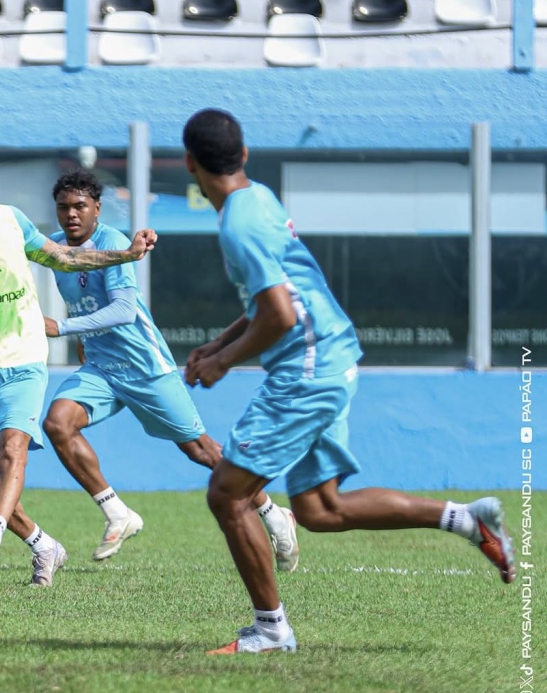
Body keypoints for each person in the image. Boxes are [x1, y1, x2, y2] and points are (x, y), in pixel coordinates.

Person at [180, 108, 516, 654]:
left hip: (308, 369)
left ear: (190, 163)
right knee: (320, 509)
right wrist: (219, 344)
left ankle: (271, 631)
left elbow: (280, 314)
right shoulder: (258, 198)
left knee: (227, 493)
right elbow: (281, 295)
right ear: (243, 155)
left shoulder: (239, 224)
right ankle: (465, 519)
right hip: (332, 358)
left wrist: (223, 362)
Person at [0, 148, 157, 587]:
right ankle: (43, 545)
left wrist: (126, 255)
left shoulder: (9, 220)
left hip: (22, 359)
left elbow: (64, 257)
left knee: (11, 449)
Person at [41, 168, 299, 570]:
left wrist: (62, 327)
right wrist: (81, 339)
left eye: (80, 206)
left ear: (97, 208)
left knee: (201, 451)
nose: (71, 214)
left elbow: (124, 311)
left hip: (144, 365)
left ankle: (274, 514)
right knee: (57, 423)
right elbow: (81, 300)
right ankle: (117, 513)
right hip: (101, 367)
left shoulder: (113, 243)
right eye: (63, 207)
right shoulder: (54, 247)